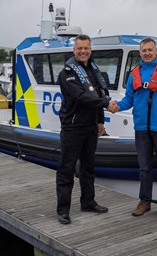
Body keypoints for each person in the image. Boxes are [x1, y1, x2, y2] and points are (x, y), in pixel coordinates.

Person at [109, 37, 157, 220]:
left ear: (156, 51)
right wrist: (115, 106)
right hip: (142, 128)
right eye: (144, 50)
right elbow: (128, 100)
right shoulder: (134, 74)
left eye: (150, 50)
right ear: (140, 53)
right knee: (144, 168)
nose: (147, 53)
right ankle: (145, 201)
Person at [56, 34, 117, 225]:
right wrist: (107, 105)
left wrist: (100, 120)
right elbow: (82, 97)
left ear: (91, 50)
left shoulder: (93, 69)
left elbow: (97, 95)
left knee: (88, 167)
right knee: (66, 169)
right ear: (74, 50)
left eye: (86, 48)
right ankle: (63, 210)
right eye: (79, 48)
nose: (83, 51)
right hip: (73, 127)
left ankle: (88, 202)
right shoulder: (67, 73)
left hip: (91, 127)